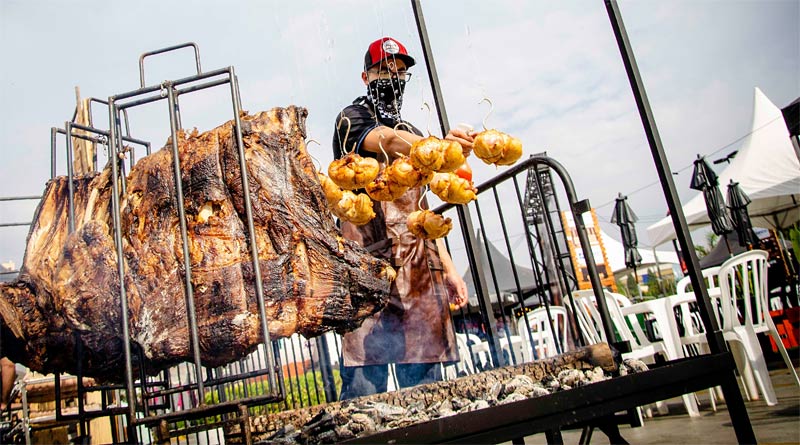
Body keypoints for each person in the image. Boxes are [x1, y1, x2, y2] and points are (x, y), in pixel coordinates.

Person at [332, 37, 474, 400]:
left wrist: (450, 269)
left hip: (418, 272)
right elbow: (388, 140)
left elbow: (421, 213)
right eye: (383, 71)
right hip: (368, 270)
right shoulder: (352, 118)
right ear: (366, 76)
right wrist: (438, 147)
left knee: (426, 391)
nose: (392, 78)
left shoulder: (412, 128)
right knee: (365, 391)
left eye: (399, 72)